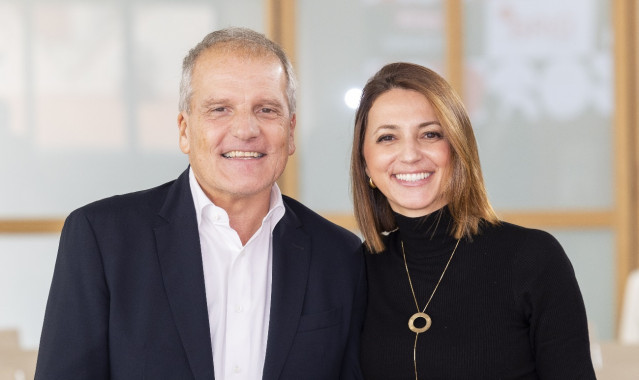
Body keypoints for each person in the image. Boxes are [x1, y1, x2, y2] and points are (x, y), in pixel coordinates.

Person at [35, 27, 365, 380]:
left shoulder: (340, 256)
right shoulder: (102, 239)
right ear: (184, 129)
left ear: (291, 131)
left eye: (267, 109)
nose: (246, 129)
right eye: (220, 109)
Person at [351, 62, 596, 379]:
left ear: (458, 147)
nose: (410, 155)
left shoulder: (533, 259)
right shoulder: (356, 271)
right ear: (366, 163)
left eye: (430, 134)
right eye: (387, 138)